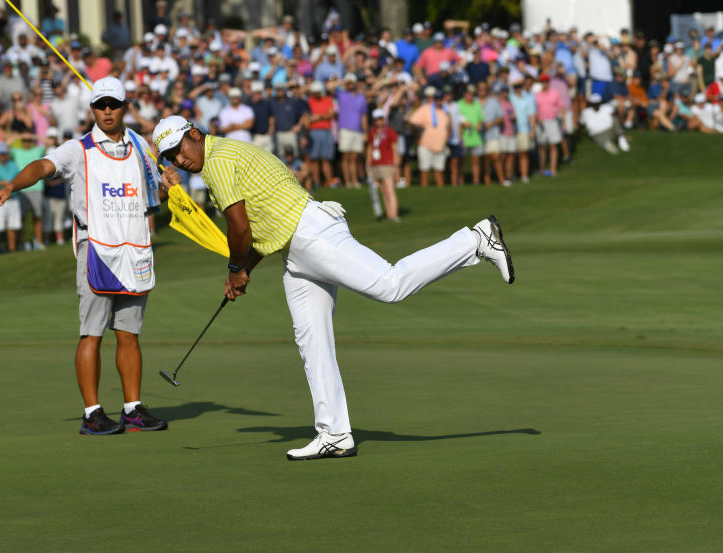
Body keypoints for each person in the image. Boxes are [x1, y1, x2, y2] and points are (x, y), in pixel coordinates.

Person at [154, 115, 515, 460]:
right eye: (170, 157)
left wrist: (235, 269)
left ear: (195, 134)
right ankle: (335, 433)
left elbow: (239, 227)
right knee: (312, 339)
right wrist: (244, 270)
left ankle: (475, 240)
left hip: (312, 235)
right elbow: (262, 228)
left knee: (390, 285)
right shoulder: (225, 154)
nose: (179, 160)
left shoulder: (218, 160)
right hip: (295, 250)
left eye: (179, 149)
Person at [0, 76, 167, 436]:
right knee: (92, 334)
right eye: (101, 105)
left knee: (129, 333)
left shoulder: (142, 146)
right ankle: (92, 412)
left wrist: (169, 179)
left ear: (125, 106)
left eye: (113, 104)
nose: (107, 111)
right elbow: (42, 167)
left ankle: (132, 408)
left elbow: (155, 186)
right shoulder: (77, 148)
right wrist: (11, 186)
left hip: (134, 249)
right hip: (95, 248)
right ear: (92, 110)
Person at [408, 86, 449, 187]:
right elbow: (412, 122)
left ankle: (440, 194)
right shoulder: (425, 108)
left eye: (440, 99)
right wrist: (418, 135)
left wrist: (445, 141)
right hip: (426, 145)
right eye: (437, 99)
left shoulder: (445, 111)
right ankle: (424, 192)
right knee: (424, 170)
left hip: (439, 146)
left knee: (439, 171)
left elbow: (448, 127)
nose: (439, 101)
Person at [364, 109, 399, 221]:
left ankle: (394, 215)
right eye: (377, 119)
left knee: (390, 191)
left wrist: (396, 166)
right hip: (376, 164)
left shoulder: (389, 131)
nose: (379, 121)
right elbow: (370, 148)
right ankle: (389, 215)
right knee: (383, 191)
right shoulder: (372, 132)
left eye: (381, 119)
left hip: (387, 164)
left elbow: (395, 149)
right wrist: (368, 165)